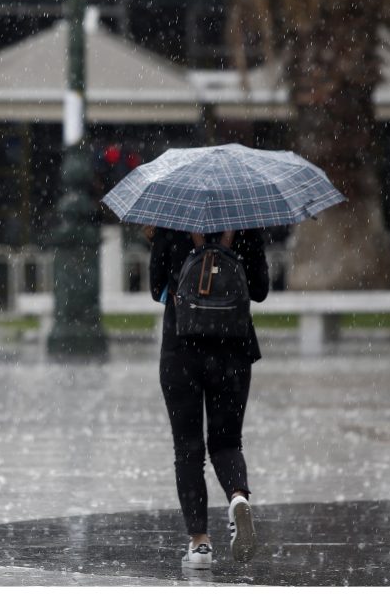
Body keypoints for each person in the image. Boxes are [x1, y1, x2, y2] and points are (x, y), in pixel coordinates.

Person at [148, 225, 269, 570]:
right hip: (233, 348)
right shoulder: (245, 221)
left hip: (181, 347)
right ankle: (237, 497)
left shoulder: (171, 221)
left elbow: (156, 289)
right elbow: (259, 291)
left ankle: (200, 544)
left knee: (187, 449)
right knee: (227, 442)